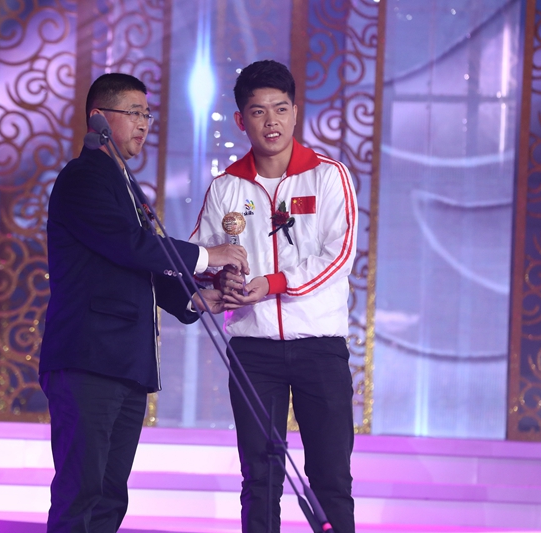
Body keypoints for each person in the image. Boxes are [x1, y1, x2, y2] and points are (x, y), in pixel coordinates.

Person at [39, 72, 248, 533]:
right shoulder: (83, 178)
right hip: (89, 360)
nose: (143, 124)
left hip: (125, 364)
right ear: (98, 117)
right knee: (81, 493)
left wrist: (194, 299)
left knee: (110, 495)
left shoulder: (125, 184)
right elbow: (130, 246)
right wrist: (209, 255)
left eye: (147, 114)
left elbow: (137, 265)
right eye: (133, 113)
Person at [189, 60, 357, 533]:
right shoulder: (226, 187)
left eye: (281, 109)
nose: (272, 122)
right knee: (260, 478)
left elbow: (339, 254)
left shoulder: (328, 176)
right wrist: (219, 281)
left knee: (330, 476)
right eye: (258, 111)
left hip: (319, 346)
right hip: (253, 349)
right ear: (241, 120)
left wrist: (272, 283)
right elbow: (201, 254)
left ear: (296, 112)